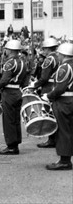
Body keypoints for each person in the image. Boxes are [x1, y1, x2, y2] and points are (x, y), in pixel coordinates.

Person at [0, 39, 27, 155]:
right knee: (15, 119)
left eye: (6, 49)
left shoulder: (10, 63)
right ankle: (16, 143)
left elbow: (5, 79)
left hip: (9, 92)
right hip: (18, 91)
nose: (5, 51)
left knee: (8, 120)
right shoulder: (23, 62)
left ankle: (11, 146)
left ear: (10, 50)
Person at [43, 42, 73, 170]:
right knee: (69, 130)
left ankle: (65, 161)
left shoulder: (65, 67)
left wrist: (48, 96)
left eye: (59, 54)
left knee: (63, 131)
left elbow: (60, 88)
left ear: (63, 54)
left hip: (64, 101)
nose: (58, 56)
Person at [32, 37, 60, 148]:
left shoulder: (49, 59)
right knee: (55, 114)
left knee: (48, 114)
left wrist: (34, 85)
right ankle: (55, 138)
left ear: (48, 49)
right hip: (55, 86)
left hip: (48, 87)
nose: (43, 50)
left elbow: (44, 78)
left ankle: (51, 139)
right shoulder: (58, 57)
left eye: (44, 49)